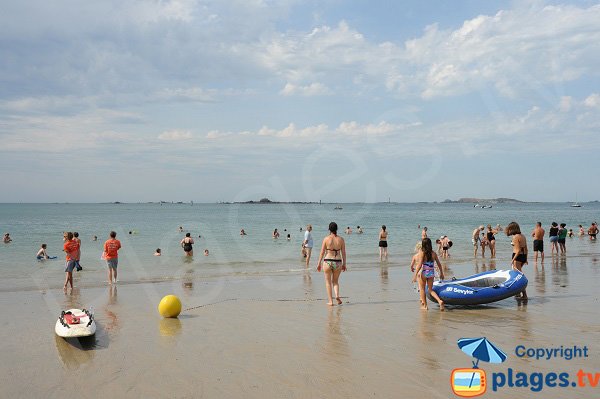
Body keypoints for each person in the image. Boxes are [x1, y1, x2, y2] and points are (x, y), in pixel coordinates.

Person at [316, 222, 346, 306]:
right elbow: (343, 253)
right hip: (338, 262)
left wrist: (318, 263)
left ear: (329, 229)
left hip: (328, 261)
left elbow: (322, 252)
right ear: (336, 229)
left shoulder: (326, 239)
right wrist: (344, 264)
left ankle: (330, 301)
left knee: (328, 282)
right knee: (335, 282)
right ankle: (337, 295)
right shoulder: (341, 239)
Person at [412, 238, 445, 311]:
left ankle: (425, 306)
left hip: (424, 273)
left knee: (422, 289)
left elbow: (420, 265)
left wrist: (415, 275)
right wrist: (441, 273)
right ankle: (440, 301)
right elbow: (439, 264)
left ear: (423, 245)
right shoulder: (434, 253)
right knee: (430, 290)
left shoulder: (422, 253)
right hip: (431, 273)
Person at [506, 222, 528, 300]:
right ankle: (518, 293)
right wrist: (526, 259)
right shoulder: (523, 236)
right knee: (519, 274)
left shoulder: (515, 237)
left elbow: (518, 250)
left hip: (517, 256)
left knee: (518, 276)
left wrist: (513, 260)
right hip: (523, 256)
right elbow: (526, 248)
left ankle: (524, 295)